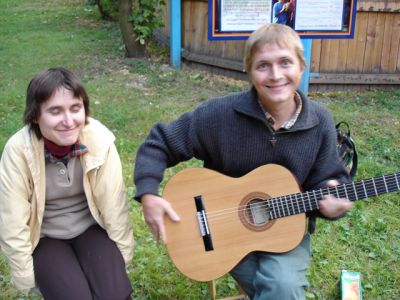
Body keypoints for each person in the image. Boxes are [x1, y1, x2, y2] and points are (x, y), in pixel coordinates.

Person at [133, 23, 353, 299]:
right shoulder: (219, 115)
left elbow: (330, 179)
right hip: (220, 231)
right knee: (278, 293)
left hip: (286, 233)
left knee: (282, 287)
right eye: (263, 66)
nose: (276, 75)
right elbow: (159, 143)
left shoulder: (320, 122)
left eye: (285, 62)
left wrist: (333, 206)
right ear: (249, 71)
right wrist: (148, 193)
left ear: (302, 66)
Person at [0, 67, 134, 299]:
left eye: (75, 108)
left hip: (90, 228)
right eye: (55, 111)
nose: (68, 121)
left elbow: (114, 205)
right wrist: (25, 275)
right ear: (35, 115)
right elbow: (11, 219)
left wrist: (122, 257)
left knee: (116, 294)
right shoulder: (18, 151)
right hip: (46, 237)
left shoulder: (100, 140)